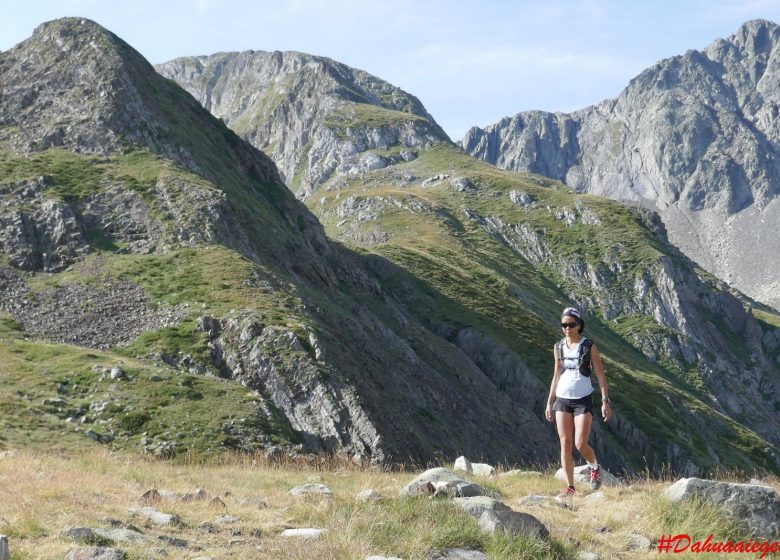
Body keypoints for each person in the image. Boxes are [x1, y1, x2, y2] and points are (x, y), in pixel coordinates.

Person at [544, 307, 611, 499]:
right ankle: (570, 487)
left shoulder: (589, 346)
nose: (567, 328)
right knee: (565, 444)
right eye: (564, 325)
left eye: (571, 324)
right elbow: (556, 375)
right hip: (562, 399)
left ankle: (594, 467)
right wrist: (550, 402)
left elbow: (600, 375)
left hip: (583, 399)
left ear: (579, 325)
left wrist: (605, 401)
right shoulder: (558, 347)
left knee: (580, 443)